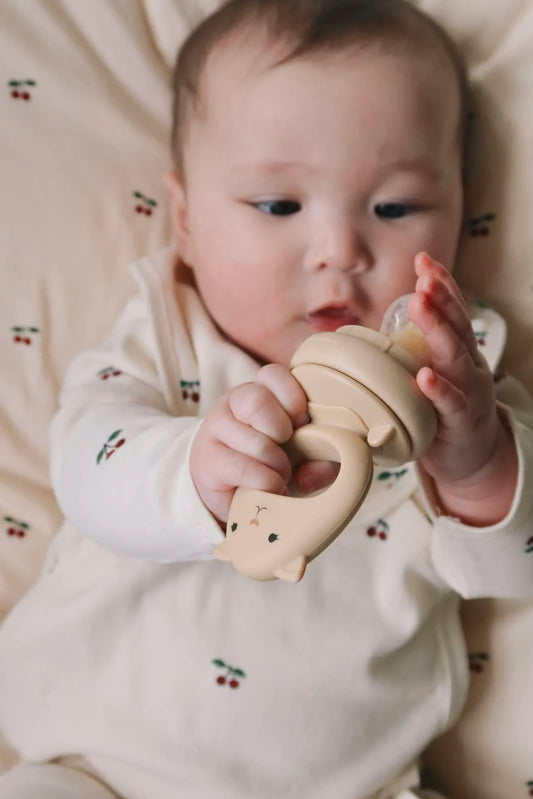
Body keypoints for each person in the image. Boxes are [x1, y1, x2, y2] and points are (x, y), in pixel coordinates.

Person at [0, 1, 532, 797]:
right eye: (278, 205)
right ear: (185, 221)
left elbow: (514, 568)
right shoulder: (167, 335)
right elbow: (85, 465)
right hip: (94, 767)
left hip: (357, 783)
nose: (338, 252)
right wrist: (192, 471)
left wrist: (475, 463)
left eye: (394, 208)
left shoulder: (456, 383)